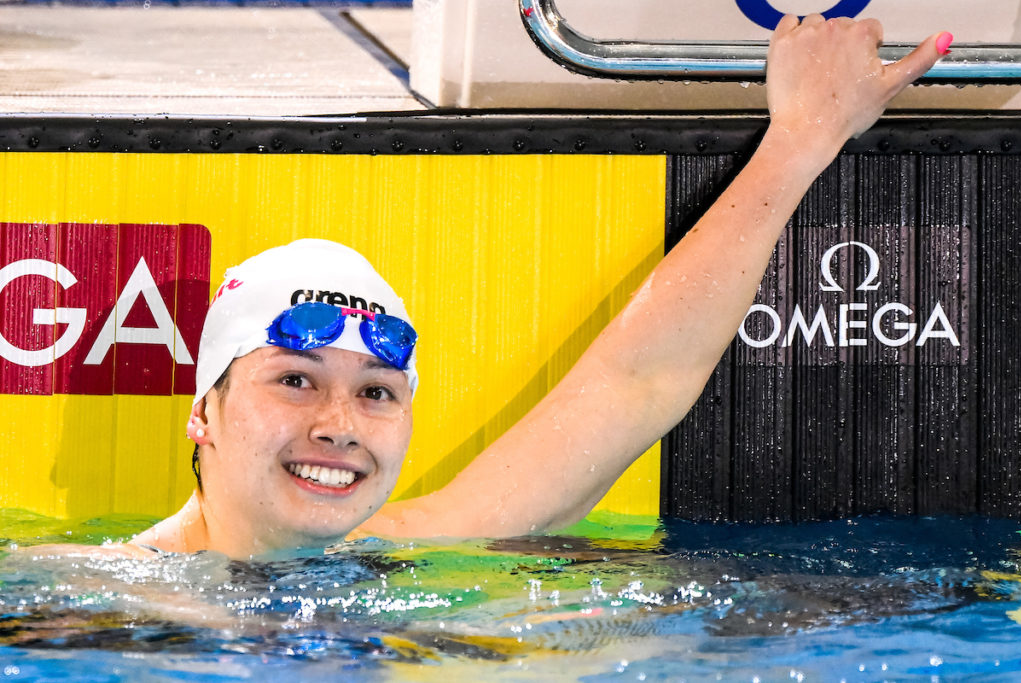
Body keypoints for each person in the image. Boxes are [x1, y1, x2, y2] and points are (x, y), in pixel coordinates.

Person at [126, 16, 952, 559]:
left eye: (376, 393)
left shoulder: (423, 540)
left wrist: (804, 136)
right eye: (296, 380)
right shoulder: (84, 606)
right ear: (203, 409)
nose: (339, 426)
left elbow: (637, 381)